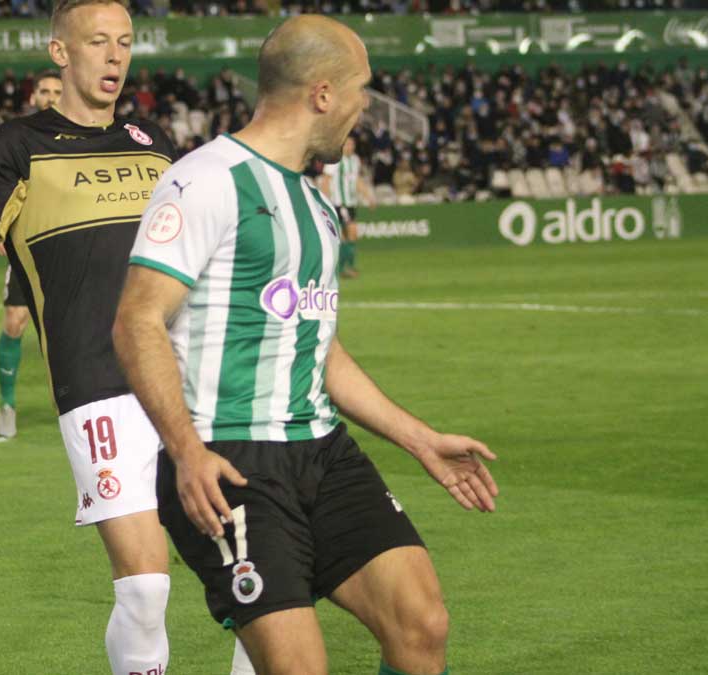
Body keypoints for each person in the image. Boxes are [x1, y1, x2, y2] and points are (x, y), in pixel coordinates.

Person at [113, 16, 499, 675]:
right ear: (321, 94)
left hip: (321, 452)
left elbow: (319, 349)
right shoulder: (206, 179)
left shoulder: (315, 204)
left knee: (421, 622)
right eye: (360, 91)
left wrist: (420, 439)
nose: (364, 110)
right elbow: (136, 320)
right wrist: (186, 450)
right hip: (230, 460)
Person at [0, 2, 253, 673]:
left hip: (192, 380)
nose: (116, 57)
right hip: (98, 385)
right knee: (145, 587)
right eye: (98, 43)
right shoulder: (16, 147)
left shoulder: (156, 142)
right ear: (60, 53)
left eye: (126, 43)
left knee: (259, 581)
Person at [0, 69, 63, 439]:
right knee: (15, 322)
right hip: (27, 251)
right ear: (33, 96)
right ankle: (7, 404)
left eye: (57, 90)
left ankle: (73, 403)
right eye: (45, 91)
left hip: (69, 251)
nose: (50, 96)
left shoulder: (79, 139)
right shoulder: (16, 139)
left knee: (70, 333)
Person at [318, 135, 373, 279]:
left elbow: (357, 180)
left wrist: (368, 196)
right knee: (348, 234)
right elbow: (325, 181)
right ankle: (345, 268)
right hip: (338, 203)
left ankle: (344, 268)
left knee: (350, 236)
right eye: (347, 144)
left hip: (351, 203)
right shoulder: (335, 160)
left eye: (352, 144)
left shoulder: (355, 160)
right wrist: (325, 202)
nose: (350, 147)